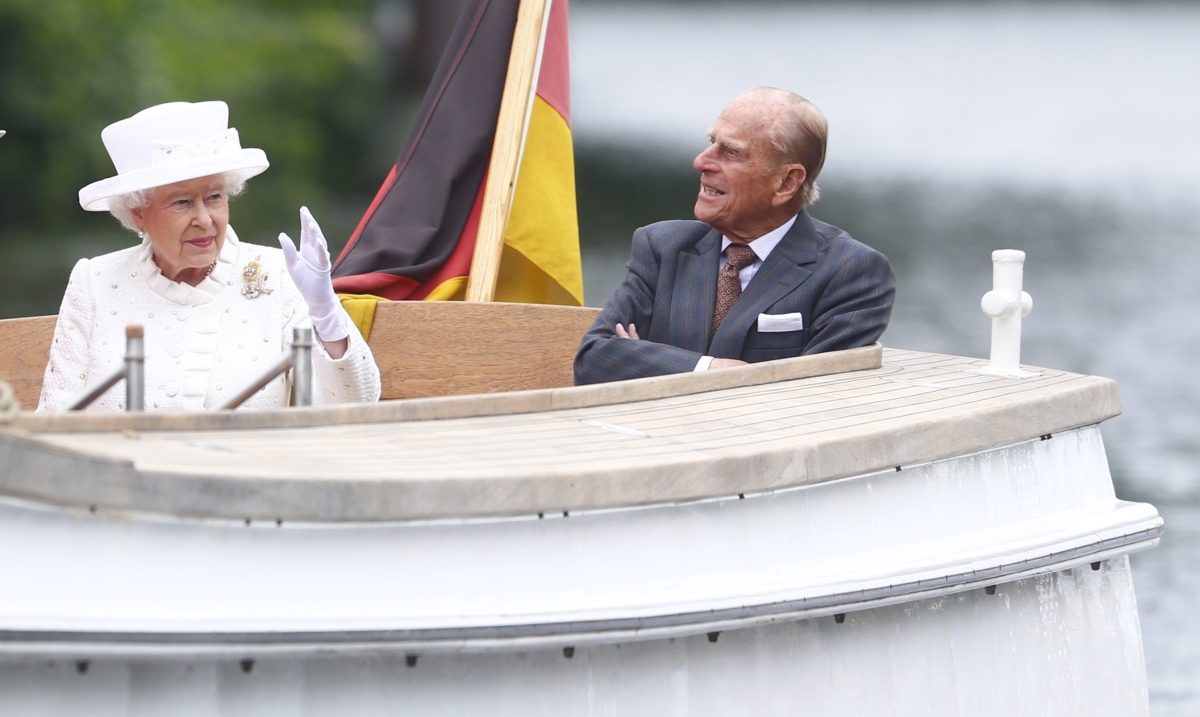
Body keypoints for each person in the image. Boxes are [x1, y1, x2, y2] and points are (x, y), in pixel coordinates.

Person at [37, 101, 381, 412]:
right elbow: (54, 420)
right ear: (138, 213)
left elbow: (350, 408)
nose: (204, 219)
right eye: (182, 202)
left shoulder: (277, 274)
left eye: (214, 197)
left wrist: (327, 316)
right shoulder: (94, 281)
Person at [574, 88, 895, 385]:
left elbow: (806, 398)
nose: (700, 162)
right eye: (711, 142)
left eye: (730, 152)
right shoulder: (661, 245)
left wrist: (644, 357)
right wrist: (713, 368)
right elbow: (594, 360)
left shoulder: (853, 271)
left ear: (786, 182)